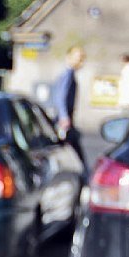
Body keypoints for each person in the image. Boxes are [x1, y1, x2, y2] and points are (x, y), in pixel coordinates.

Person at [51, 45, 88, 173]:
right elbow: (60, 97)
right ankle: (84, 175)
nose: (82, 62)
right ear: (69, 57)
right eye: (79, 58)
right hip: (64, 121)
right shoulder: (68, 75)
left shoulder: (69, 74)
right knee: (72, 149)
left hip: (66, 119)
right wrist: (64, 117)